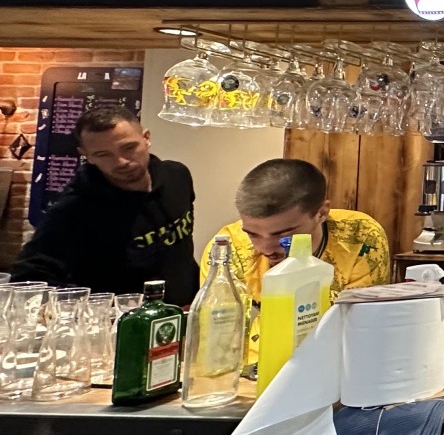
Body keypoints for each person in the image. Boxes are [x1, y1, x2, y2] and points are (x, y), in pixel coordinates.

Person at [12, 106, 198, 304]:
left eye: (129, 147)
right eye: (103, 154)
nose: (121, 161)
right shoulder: (73, 209)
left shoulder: (177, 176)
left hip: (187, 307)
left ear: (146, 138)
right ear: (87, 155)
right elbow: (27, 279)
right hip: (124, 319)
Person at [213, 158, 390, 308]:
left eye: (283, 234)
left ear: (321, 213)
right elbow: (224, 331)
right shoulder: (227, 247)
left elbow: (357, 324)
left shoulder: (359, 237)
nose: (266, 249)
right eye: (252, 234)